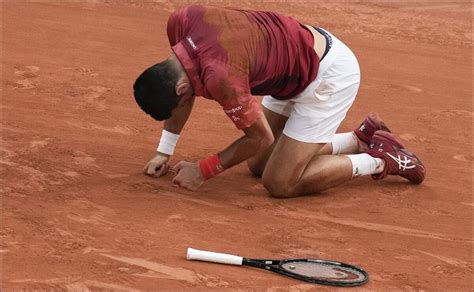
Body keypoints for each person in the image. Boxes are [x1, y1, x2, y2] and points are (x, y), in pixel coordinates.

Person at [133, 5, 425, 197]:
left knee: (280, 183)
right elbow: (182, 91)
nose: (184, 105)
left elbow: (259, 137)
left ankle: (379, 159)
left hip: (328, 76)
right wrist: (164, 152)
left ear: (182, 88)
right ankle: (360, 138)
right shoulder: (181, 21)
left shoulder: (221, 77)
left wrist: (205, 169)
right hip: (292, 62)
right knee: (258, 165)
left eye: (181, 102)